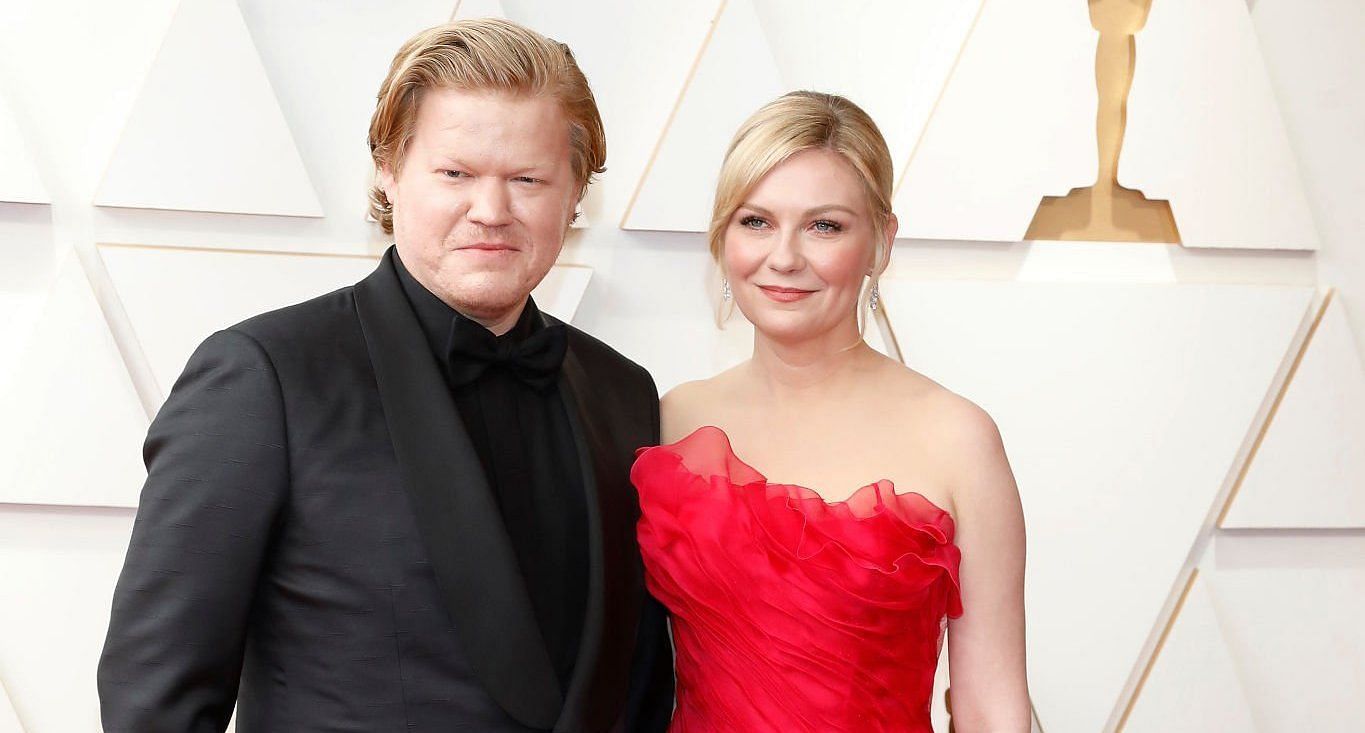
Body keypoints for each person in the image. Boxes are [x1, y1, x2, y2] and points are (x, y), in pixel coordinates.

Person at [98, 19, 673, 733]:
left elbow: (641, 687)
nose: (490, 211)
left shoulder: (623, 392)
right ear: (389, 169)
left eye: (527, 179)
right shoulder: (264, 378)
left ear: (575, 192)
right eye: (455, 173)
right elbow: (155, 699)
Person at [630, 91, 1031, 731]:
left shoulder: (956, 438)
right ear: (721, 237)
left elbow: (992, 706)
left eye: (825, 225)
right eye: (755, 221)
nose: (784, 257)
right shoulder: (673, 419)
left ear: (881, 241)